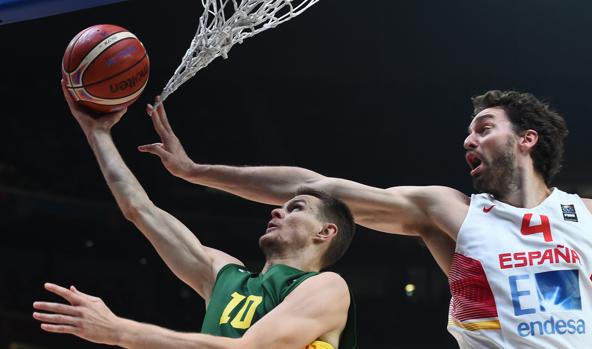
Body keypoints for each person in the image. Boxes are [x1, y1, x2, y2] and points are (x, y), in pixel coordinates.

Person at [138, 91, 592, 348]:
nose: (469, 140)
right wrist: (195, 172)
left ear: (527, 139)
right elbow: (314, 184)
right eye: (467, 133)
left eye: (484, 128)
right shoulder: (451, 210)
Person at [32, 87, 356, 349]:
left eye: (295, 208)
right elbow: (140, 210)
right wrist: (97, 132)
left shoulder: (327, 287)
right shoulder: (225, 276)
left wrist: (119, 331)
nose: (276, 210)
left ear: (326, 231)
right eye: (283, 206)